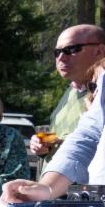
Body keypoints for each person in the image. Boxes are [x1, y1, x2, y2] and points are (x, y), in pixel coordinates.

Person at [2, 59, 105, 203]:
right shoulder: (69, 95)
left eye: (72, 49)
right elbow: (87, 137)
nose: (96, 94)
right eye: (94, 86)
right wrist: (47, 189)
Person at [30, 24, 105, 165]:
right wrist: (44, 143)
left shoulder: (101, 92)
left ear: (99, 51)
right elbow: (64, 134)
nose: (61, 57)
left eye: (71, 49)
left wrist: (61, 143)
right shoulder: (71, 92)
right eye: (57, 52)